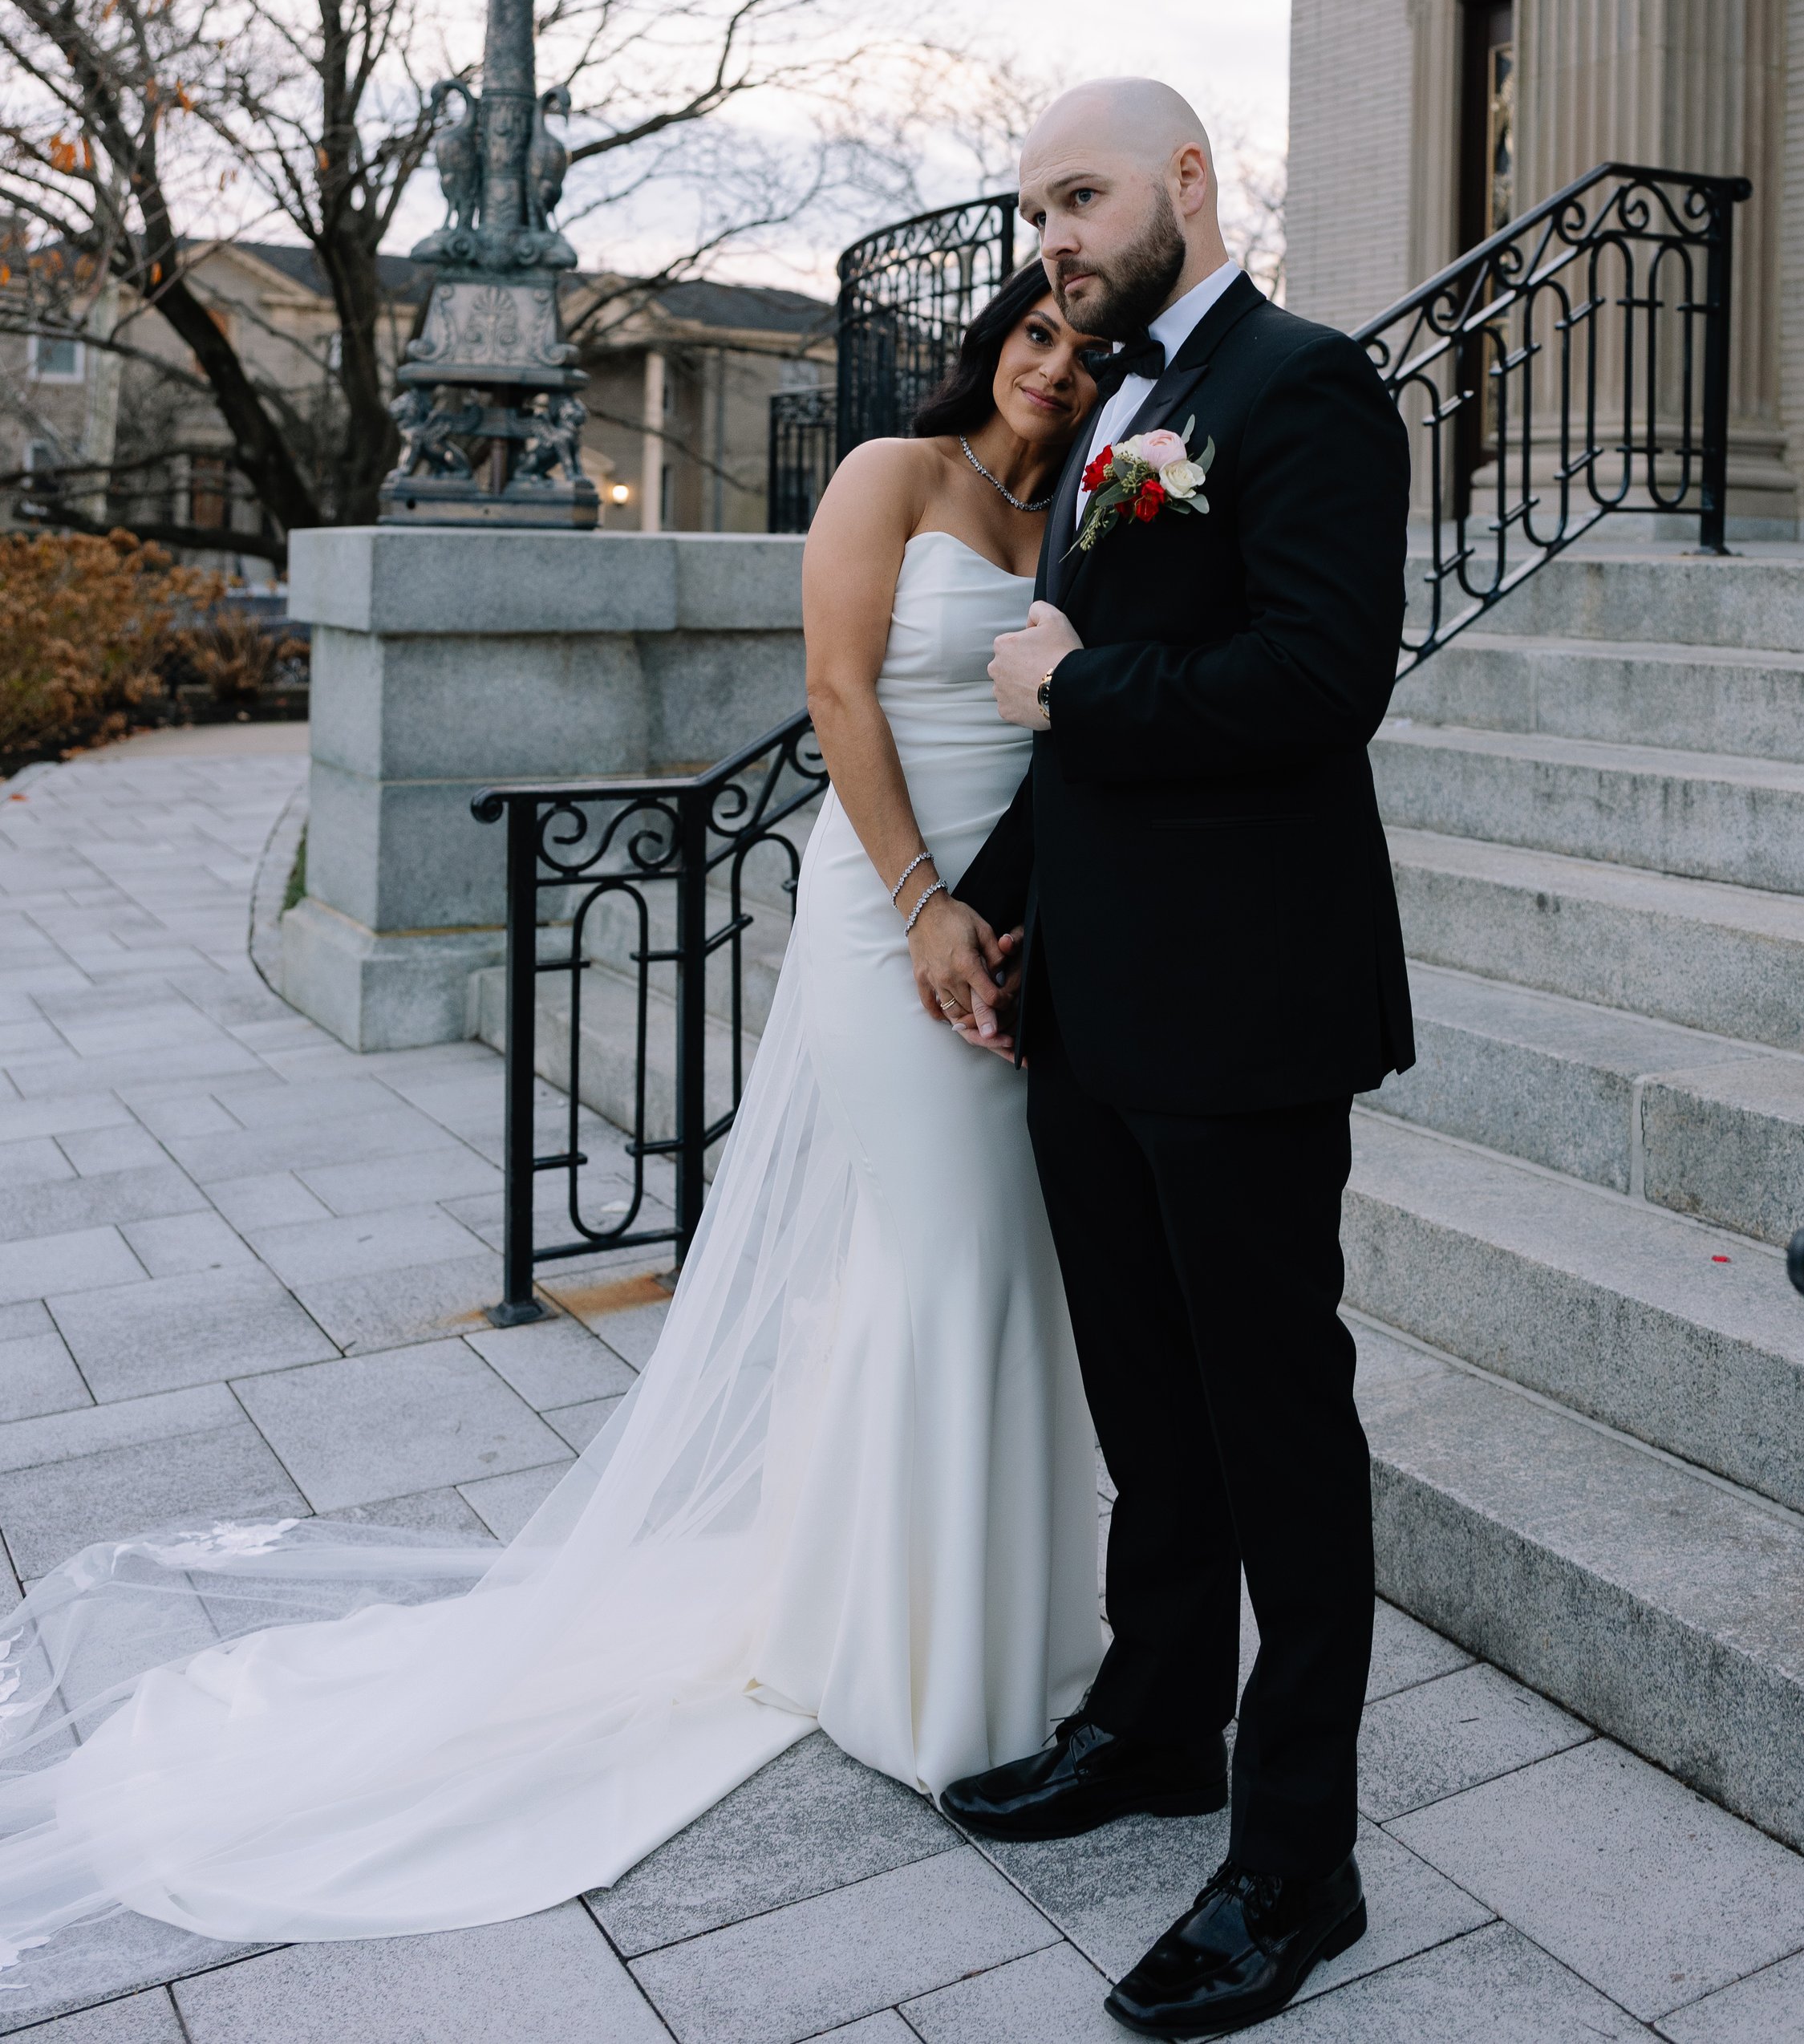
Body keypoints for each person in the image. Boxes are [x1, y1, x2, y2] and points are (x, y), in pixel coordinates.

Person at [0, 264, 1107, 1976]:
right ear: (992, 345)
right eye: (1033, 334)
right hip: (888, 919)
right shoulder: (895, 472)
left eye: (1084, 347)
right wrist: (922, 905)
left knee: (990, 1273)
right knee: (948, 1258)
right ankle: (927, 1678)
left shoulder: (1092, 515)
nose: (1054, 365)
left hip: (1025, 934)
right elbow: (834, 697)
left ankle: (968, 1619)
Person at [938, 78, 1413, 2042]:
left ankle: (1298, 1858)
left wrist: (1081, 677)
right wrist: (977, 897)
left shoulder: (1303, 386)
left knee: (1270, 1430)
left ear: (1187, 182)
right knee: (1143, 1401)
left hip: (1242, 1017)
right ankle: (1152, 1730)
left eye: (1083, 193)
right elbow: (1076, 730)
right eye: (1036, 204)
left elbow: (1321, 676)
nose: (1051, 232)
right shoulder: (1112, 411)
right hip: (1095, 1001)